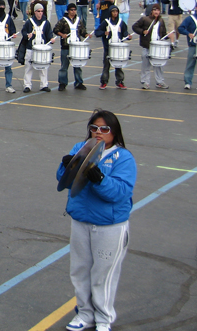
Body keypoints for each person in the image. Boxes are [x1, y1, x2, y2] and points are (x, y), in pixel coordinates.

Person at [58, 109, 136, 331]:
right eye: (94, 128)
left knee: (103, 274)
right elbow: (62, 181)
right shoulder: (80, 149)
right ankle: (84, 314)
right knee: (80, 270)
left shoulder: (124, 158)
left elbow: (119, 193)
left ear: (114, 131)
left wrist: (100, 179)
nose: (98, 133)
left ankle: (103, 319)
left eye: (104, 129)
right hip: (81, 220)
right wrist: (66, 166)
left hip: (109, 226)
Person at [132, 4, 171, 90]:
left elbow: (163, 34)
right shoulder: (145, 19)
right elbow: (135, 27)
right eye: (155, 10)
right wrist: (142, 31)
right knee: (146, 66)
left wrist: (168, 36)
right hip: (147, 46)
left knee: (159, 65)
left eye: (158, 10)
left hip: (157, 47)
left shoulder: (161, 21)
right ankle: (145, 82)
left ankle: (160, 81)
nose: (156, 12)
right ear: (152, 11)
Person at [54, 4, 88, 91]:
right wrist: (62, 35)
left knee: (77, 65)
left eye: (75, 10)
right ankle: (62, 83)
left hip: (76, 47)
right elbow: (55, 29)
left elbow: (82, 31)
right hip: (66, 46)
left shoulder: (78, 20)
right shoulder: (63, 21)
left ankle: (79, 82)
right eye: (72, 10)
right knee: (64, 66)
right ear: (68, 11)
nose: (73, 11)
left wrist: (86, 34)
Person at [95, 5, 129, 90]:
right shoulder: (106, 22)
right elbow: (97, 32)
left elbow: (125, 32)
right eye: (113, 12)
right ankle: (104, 82)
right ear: (110, 13)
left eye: (116, 12)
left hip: (118, 48)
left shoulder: (121, 22)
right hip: (108, 48)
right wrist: (104, 33)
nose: (115, 13)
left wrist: (127, 36)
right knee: (106, 66)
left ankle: (120, 81)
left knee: (118, 65)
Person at [20, 3, 53, 93]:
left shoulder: (46, 23)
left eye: (42, 11)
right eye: (38, 11)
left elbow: (49, 33)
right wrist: (27, 35)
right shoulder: (29, 22)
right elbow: (23, 32)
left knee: (43, 68)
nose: (40, 13)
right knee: (29, 68)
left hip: (42, 49)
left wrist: (51, 39)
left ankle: (44, 85)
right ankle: (27, 85)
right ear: (35, 12)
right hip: (31, 48)